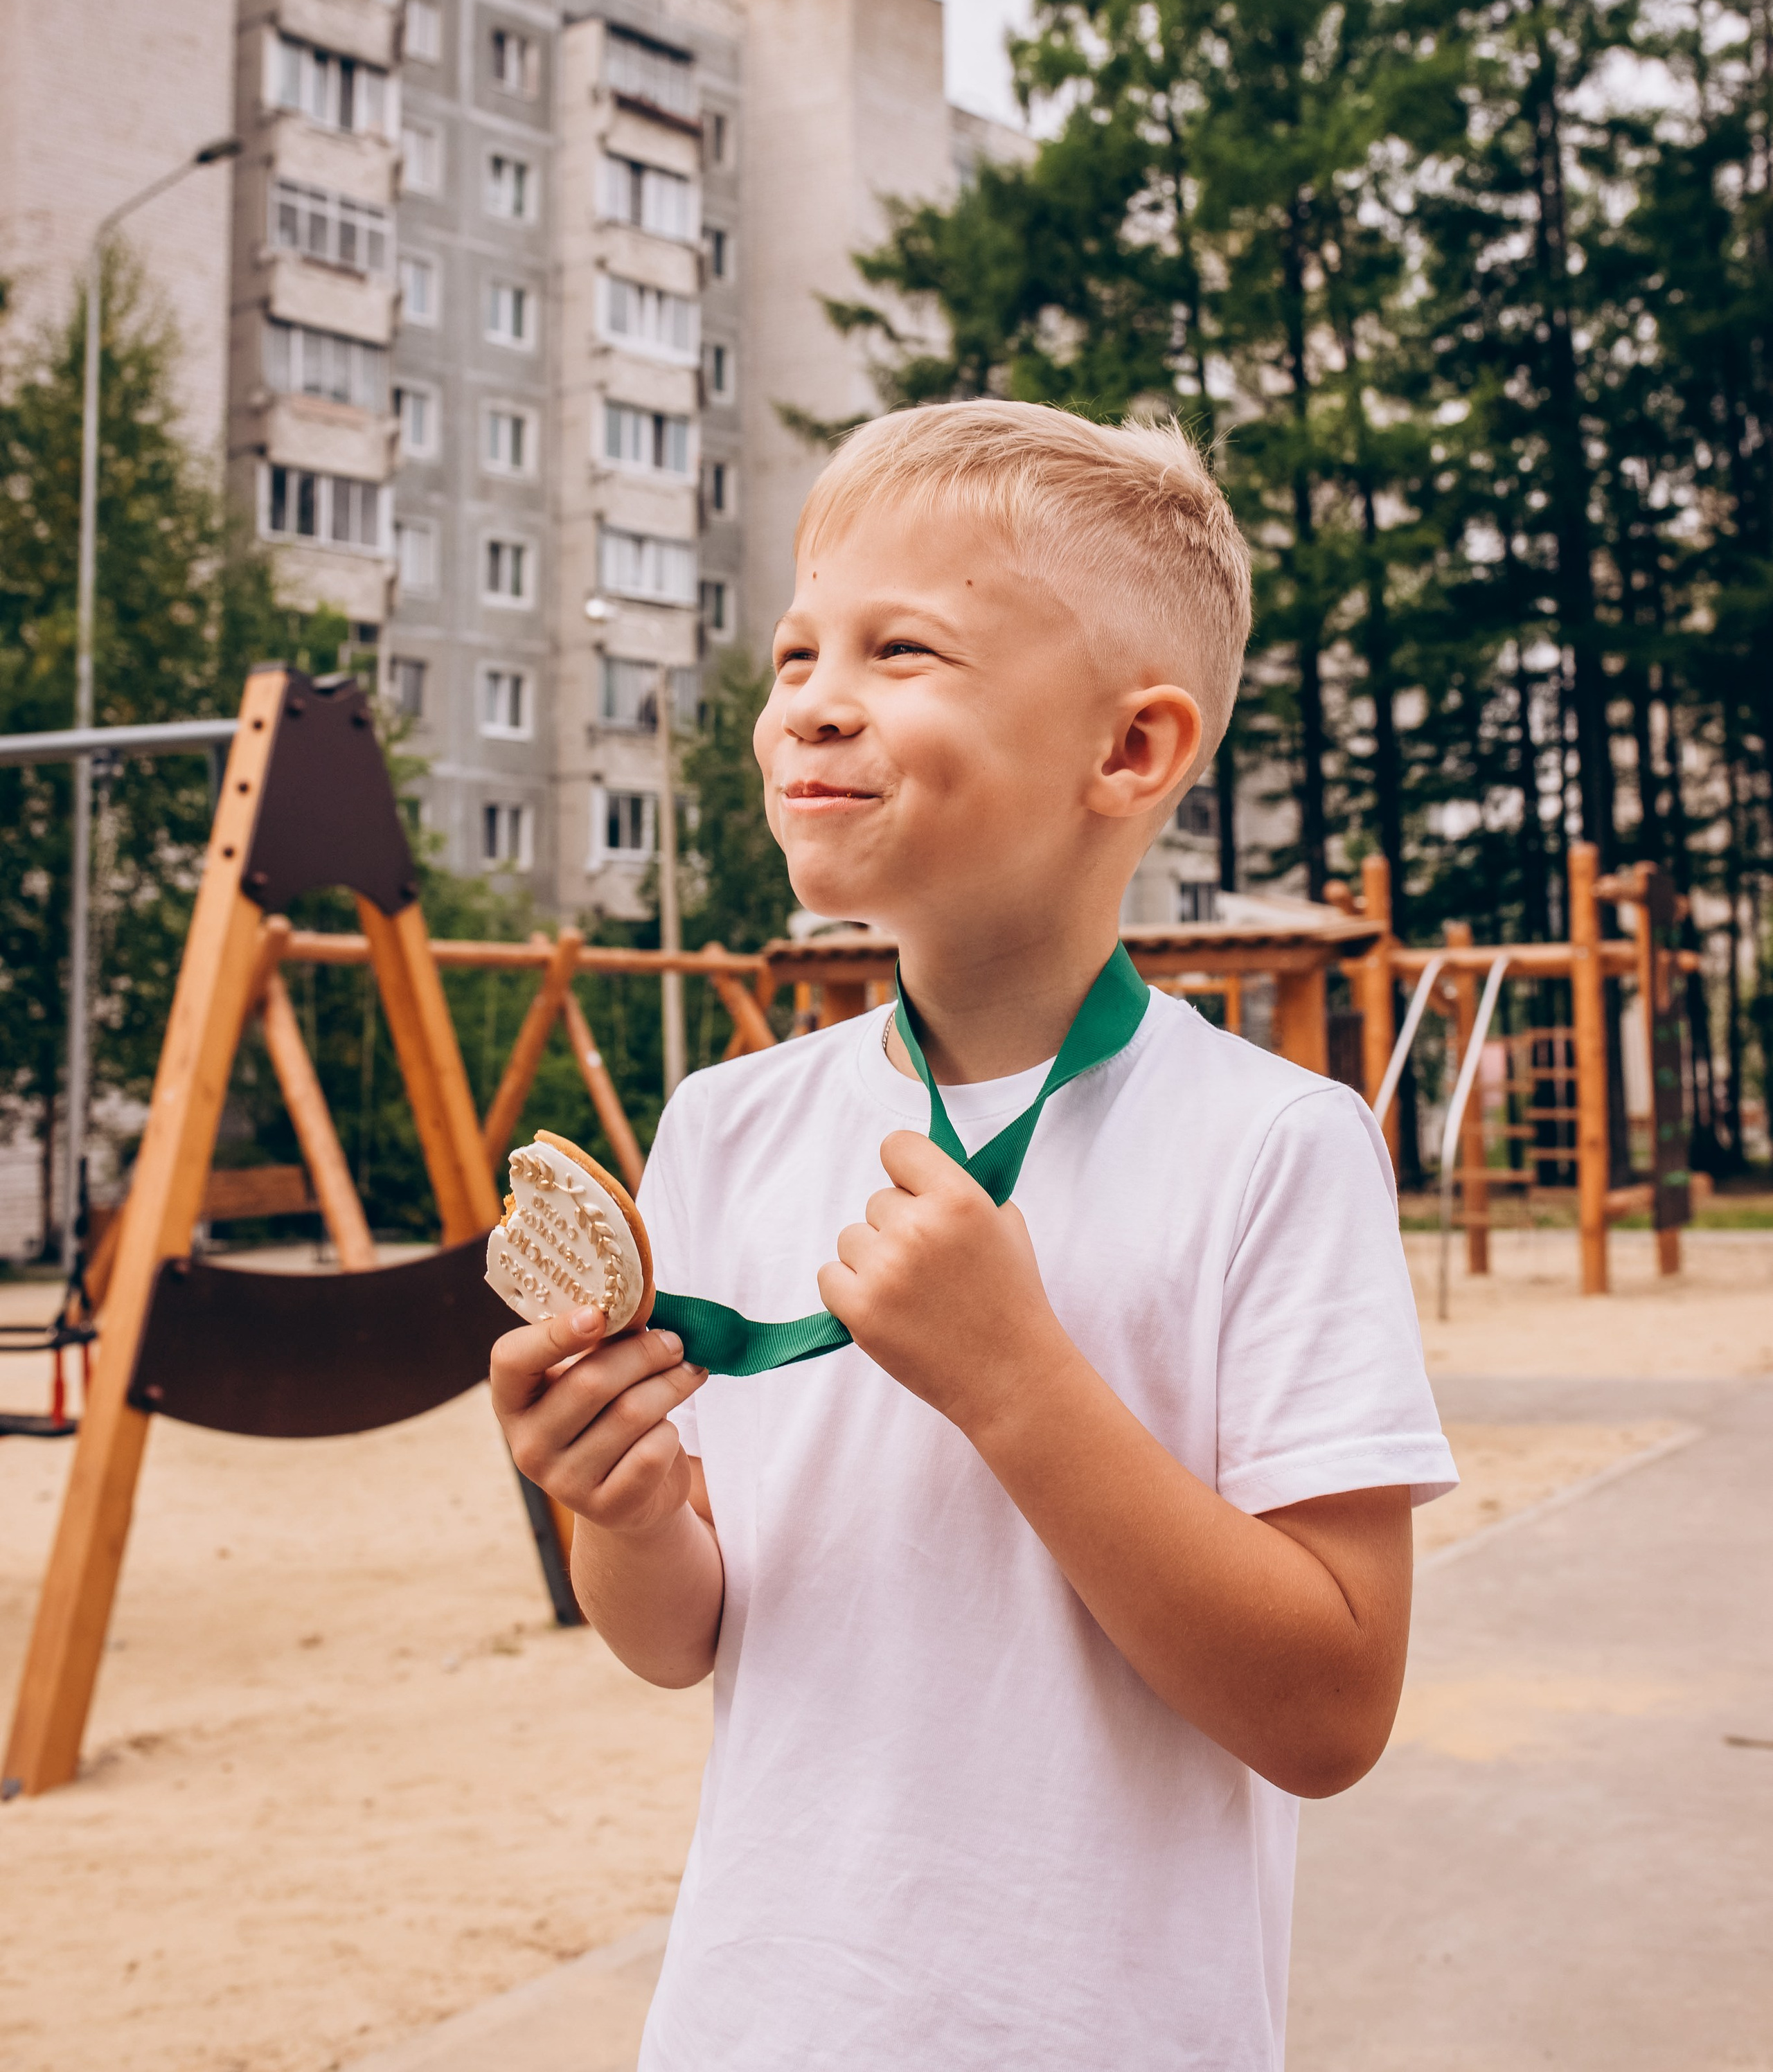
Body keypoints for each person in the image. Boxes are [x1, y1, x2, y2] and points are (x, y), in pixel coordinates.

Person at [491, 402, 1455, 2071]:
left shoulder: (1273, 1149)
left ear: (1128, 752)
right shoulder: (725, 1125)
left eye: (901, 647)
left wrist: (1014, 1380)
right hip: (749, 2025)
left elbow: (1327, 1711)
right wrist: (622, 1504)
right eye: (796, 653)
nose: (811, 700)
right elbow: (676, 1641)